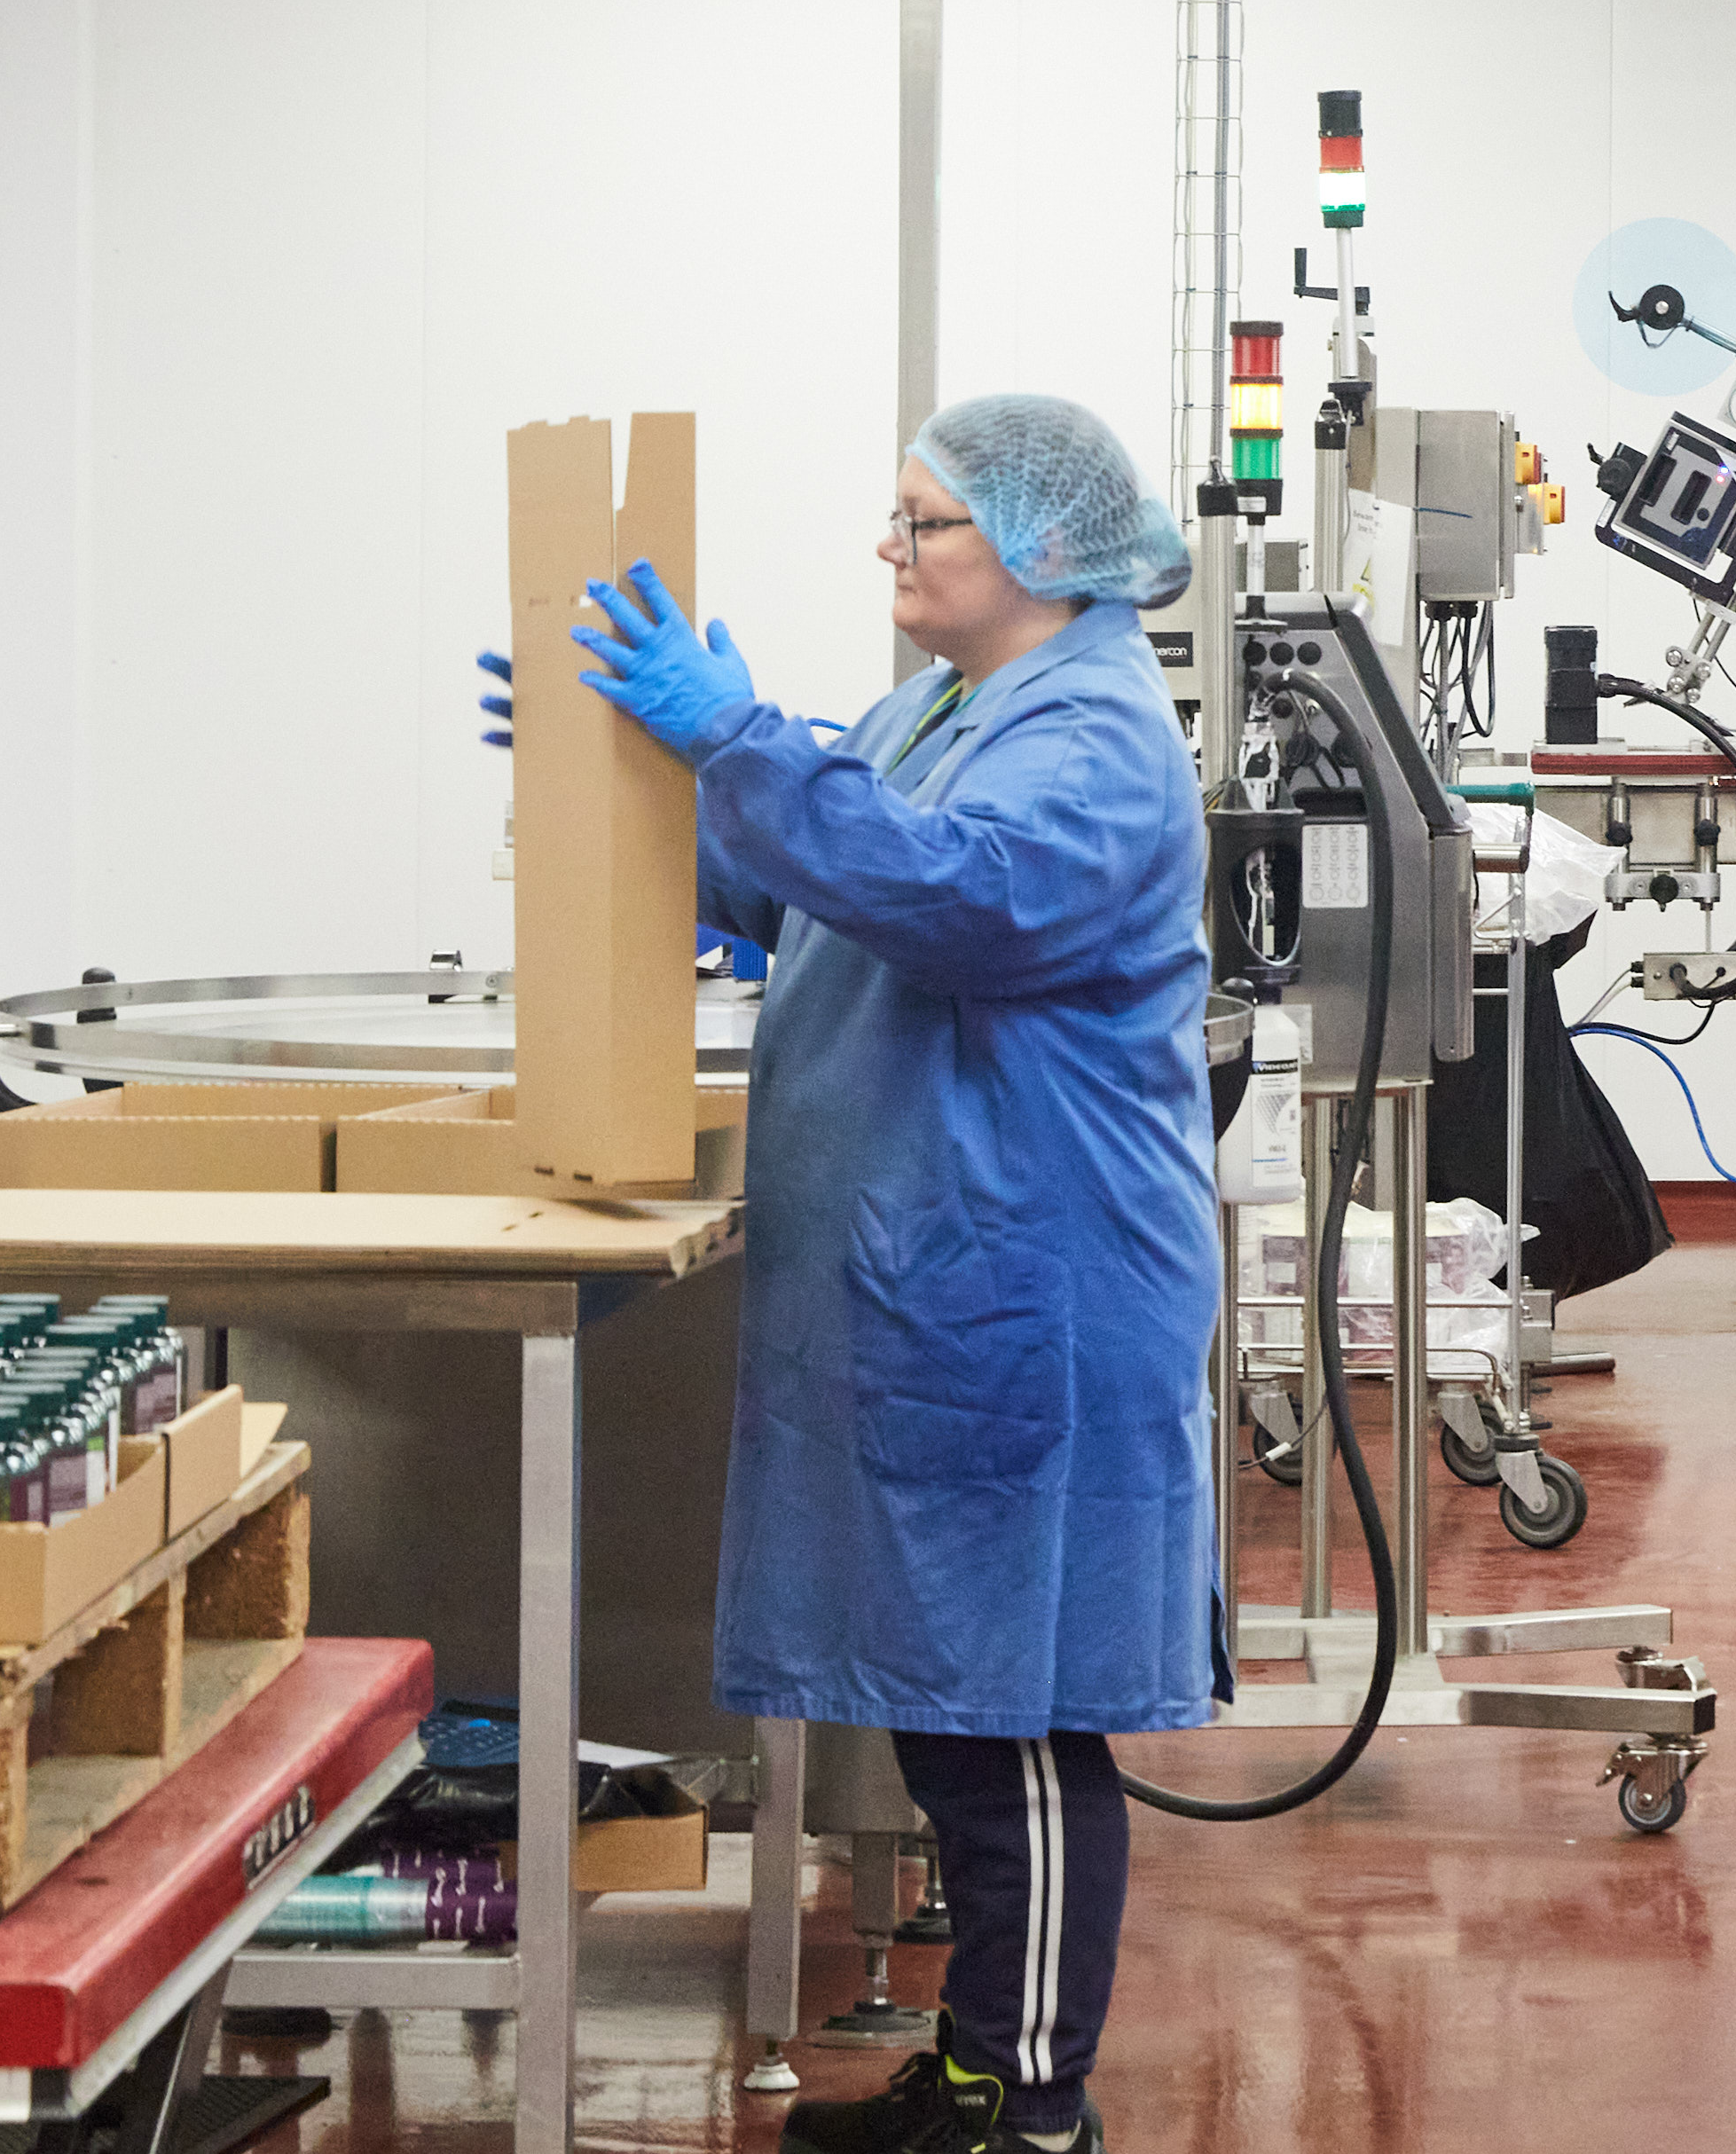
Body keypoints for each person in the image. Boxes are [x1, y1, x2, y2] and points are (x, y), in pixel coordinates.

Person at [494, 395, 1213, 2154]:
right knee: (955, 1710)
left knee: (1020, 1711)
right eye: (894, 518)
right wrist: (661, 785)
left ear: (1041, 551)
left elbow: (959, 898)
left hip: (1031, 1281)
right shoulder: (944, 705)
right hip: (940, 1275)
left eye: (928, 523)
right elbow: (829, 883)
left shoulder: (1098, 735)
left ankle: (1029, 2104)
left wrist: (739, 737)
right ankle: (976, 2065)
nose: (892, 549)